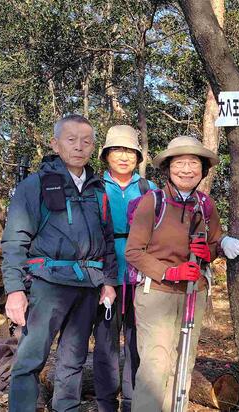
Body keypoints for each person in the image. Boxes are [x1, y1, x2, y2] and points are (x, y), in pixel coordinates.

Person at [3, 114, 117, 412]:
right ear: (55, 143)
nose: (79, 147)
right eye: (71, 139)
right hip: (47, 284)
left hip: (88, 286)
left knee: (74, 359)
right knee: (30, 358)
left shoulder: (97, 189)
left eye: (87, 141)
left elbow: (106, 242)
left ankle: (66, 408)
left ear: (93, 147)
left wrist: (108, 282)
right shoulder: (35, 185)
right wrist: (14, 289)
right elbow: (15, 240)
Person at [124, 136, 239, 412]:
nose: (187, 169)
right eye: (180, 163)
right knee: (155, 365)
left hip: (194, 293)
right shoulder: (152, 202)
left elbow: (213, 244)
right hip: (156, 293)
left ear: (203, 170)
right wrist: (170, 272)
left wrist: (210, 252)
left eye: (194, 163)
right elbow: (133, 252)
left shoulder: (205, 204)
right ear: (168, 168)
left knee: (184, 362)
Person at [93, 125, 157, 412]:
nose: (124, 157)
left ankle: (132, 401)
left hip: (140, 275)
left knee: (136, 342)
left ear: (138, 157)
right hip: (103, 274)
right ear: (106, 155)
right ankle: (105, 403)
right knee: (105, 343)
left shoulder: (149, 189)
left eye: (130, 151)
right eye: (117, 150)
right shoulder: (94, 188)